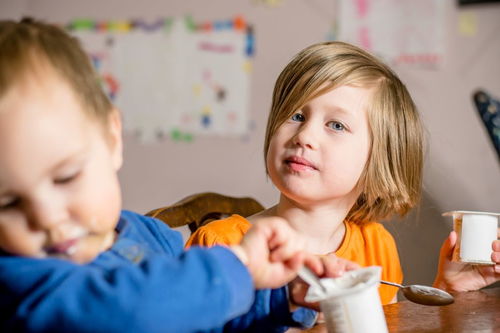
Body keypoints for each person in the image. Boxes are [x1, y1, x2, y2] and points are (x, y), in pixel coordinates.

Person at [0, 19, 357, 333]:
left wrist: (281, 296)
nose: (47, 217)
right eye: (8, 203)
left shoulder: (152, 237)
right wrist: (242, 266)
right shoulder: (21, 280)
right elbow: (132, 312)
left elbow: (209, 317)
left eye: (66, 178)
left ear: (111, 139)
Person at [187, 41, 500, 306]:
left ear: (378, 160)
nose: (305, 135)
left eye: (336, 125)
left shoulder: (376, 245)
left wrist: (447, 289)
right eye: (296, 115)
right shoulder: (222, 244)